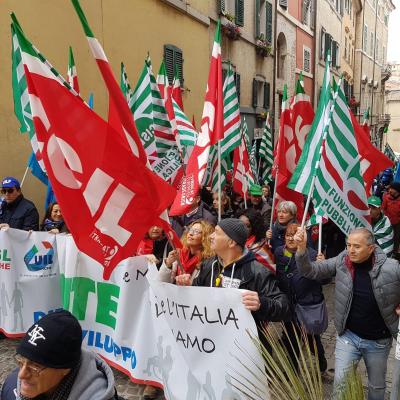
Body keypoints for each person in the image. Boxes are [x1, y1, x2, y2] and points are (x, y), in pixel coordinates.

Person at [294, 226, 400, 400]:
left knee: (376, 388)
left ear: (371, 248)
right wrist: (302, 249)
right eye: (348, 245)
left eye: (357, 246)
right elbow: (310, 270)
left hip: (378, 342)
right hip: (348, 337)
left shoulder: (392, 268)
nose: (351, 250)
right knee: (340, 389)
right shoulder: (342, 260)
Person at [175, 218, 290, 344]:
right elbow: (197, 294)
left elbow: (284, 308)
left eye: (216, 233)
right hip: (211, 343)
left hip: (244, 348)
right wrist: (187, 286)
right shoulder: (209, 265)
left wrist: (261, 303)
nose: (210, 236)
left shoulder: (257, 271)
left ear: (231, 242)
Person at [1, 310, 120, 400]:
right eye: (21, 361)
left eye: (35, 366)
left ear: (65, 369)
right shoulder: (11, 386)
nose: (21, 375)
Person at [275, 223, 328, 372]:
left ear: (303, 237)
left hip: (306, 306)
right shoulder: (279, 252)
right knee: (291, 340)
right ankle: (292, 370)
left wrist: (323, 267)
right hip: (289, 307)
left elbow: (324, 281)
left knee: (312, 340)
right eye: (288, 235)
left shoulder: (312, 255)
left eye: (294, 235)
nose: (291, 239)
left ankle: (321, 361)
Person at [236, 208, 275, 272]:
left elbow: (268, 271)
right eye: (239, 224)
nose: (242, 228)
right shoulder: (232, 241)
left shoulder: (260, 247)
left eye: (247, 226)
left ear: (254, 228)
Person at [382, 181, 400, 260]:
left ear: (397, 190)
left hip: (397, 224)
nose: (390, 190)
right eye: (390, 188)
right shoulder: (386, 197)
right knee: (387, 237)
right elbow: (383, 208)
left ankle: (395, 253)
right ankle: (386, 251)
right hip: (387, 223)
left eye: (392, 188)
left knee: (396, 238)